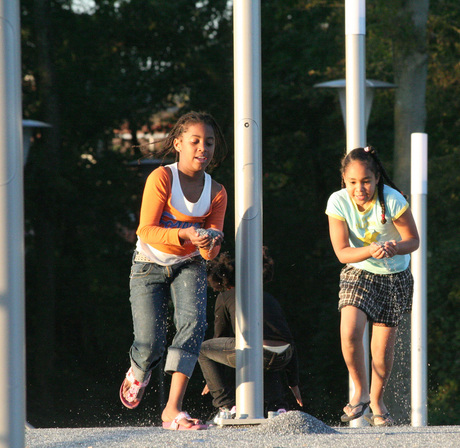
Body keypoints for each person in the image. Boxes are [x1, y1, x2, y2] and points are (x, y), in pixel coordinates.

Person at [119, 111, 228, 431]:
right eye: (194, 141)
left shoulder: (217, 191)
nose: (202, 148)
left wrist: (210, 242)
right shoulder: (162, 178)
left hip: (189, 263)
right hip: (149, 264)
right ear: (178, 144)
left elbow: (211, 251)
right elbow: (147, 230)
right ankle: (139, 370)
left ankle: (173, 409)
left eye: (208, 142)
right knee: (150, 342)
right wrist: (186, 233)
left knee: (194, 324)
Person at [325, 146, 419, 427]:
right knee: (350, 330)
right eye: (353, 182)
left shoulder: (392, 200)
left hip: (394, 275)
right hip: (359, 269)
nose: (360, 188)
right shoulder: (337, 202)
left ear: (377, 178)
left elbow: (413, 240)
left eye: (366, 181)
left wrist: (394, 247)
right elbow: (342, 252)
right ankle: (360, 390)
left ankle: (377, 401)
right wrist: (370, 250)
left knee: (381, 350)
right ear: (344, 179)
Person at [198, 248, 303, 420]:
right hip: (284, 354)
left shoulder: (225, 297)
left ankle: (226, 406)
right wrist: (294, 382)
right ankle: (278, 407)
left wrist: (214, 378)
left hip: (257, 352)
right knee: (265, 353)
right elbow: (286, 338)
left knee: (203, 349)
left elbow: (219, 338)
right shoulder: (268, 297)